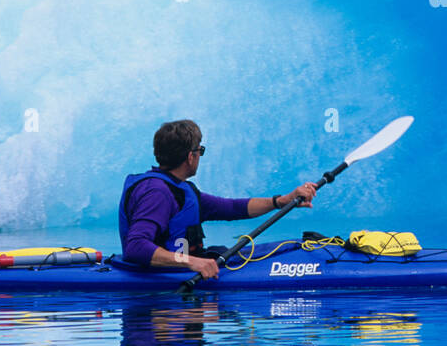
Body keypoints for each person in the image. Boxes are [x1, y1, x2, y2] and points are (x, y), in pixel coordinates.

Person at [119, 119, 317, 280]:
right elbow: (135, 247)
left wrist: (282, 201)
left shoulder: (180, 188)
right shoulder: (157, 193)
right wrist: (192, 262)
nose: (199, 156)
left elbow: (231, 208)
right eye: (200, 151)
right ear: (190, 157)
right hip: (162, 280)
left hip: (179, 270)